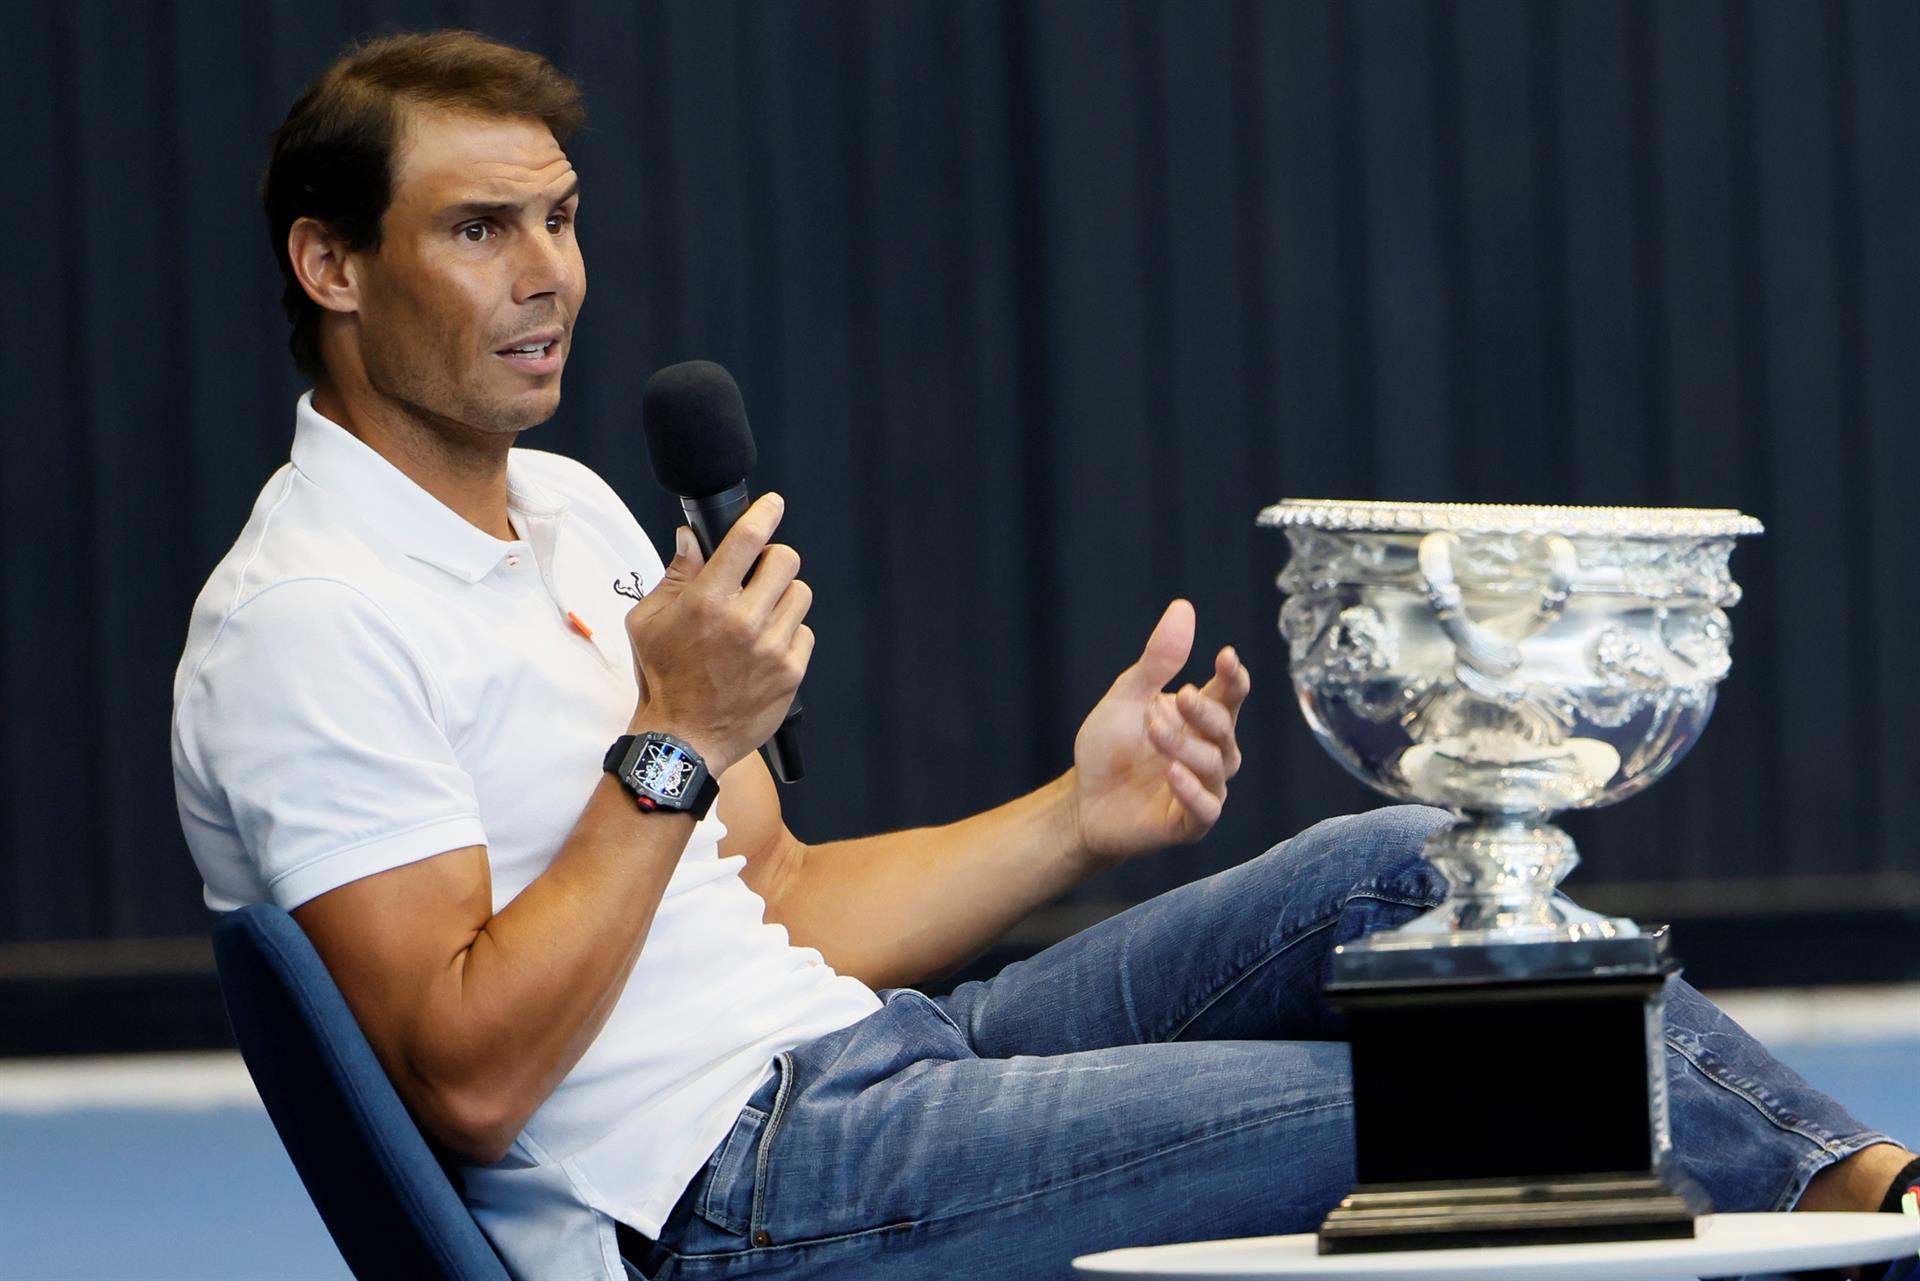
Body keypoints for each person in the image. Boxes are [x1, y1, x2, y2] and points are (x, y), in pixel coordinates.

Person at [171, 29, 1917, 1281]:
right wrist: (675, 738)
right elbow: (465, 1081)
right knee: (1474, 1099)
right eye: (479, 231)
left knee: (1403, 870)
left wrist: (1074, 820)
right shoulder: (303, 620)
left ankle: (1868, 1187)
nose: (548, 273)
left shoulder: (560, 506)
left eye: (558, 218)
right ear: (329, 262)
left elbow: (781, 902)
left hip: (883, 1050)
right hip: (740, 1189)